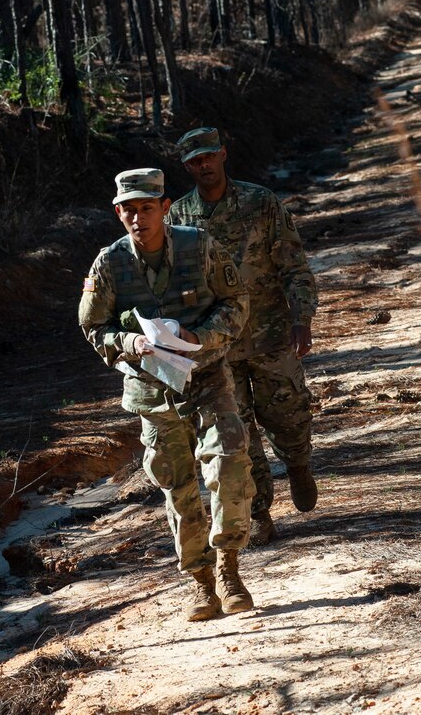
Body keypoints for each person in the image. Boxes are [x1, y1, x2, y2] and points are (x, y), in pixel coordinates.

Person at [79, 167, 257, 621]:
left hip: (206, 376)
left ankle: (230, 569)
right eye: (129, 210)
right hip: (152, 389)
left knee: (230, 462)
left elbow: (236, 303)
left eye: (146, 208)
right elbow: (92, 326)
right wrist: (127, 343)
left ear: (164, 207)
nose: (138, 218)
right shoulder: (109, 263)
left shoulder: (200, 247)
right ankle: (200, 583)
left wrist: (202, 337)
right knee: (177, 486)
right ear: (118, 213)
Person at [167, 128, 318, 546]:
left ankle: (299, 463)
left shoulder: (260, 202)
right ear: (187, 167)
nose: (204, 165)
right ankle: (260, 514)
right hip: (218, 346)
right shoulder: (177, 218)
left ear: (223, 154)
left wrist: (300, 317)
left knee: (288, 415)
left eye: (209, 156)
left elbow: (295, 266)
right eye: (195, 161)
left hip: (270, 334)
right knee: (237, 436)